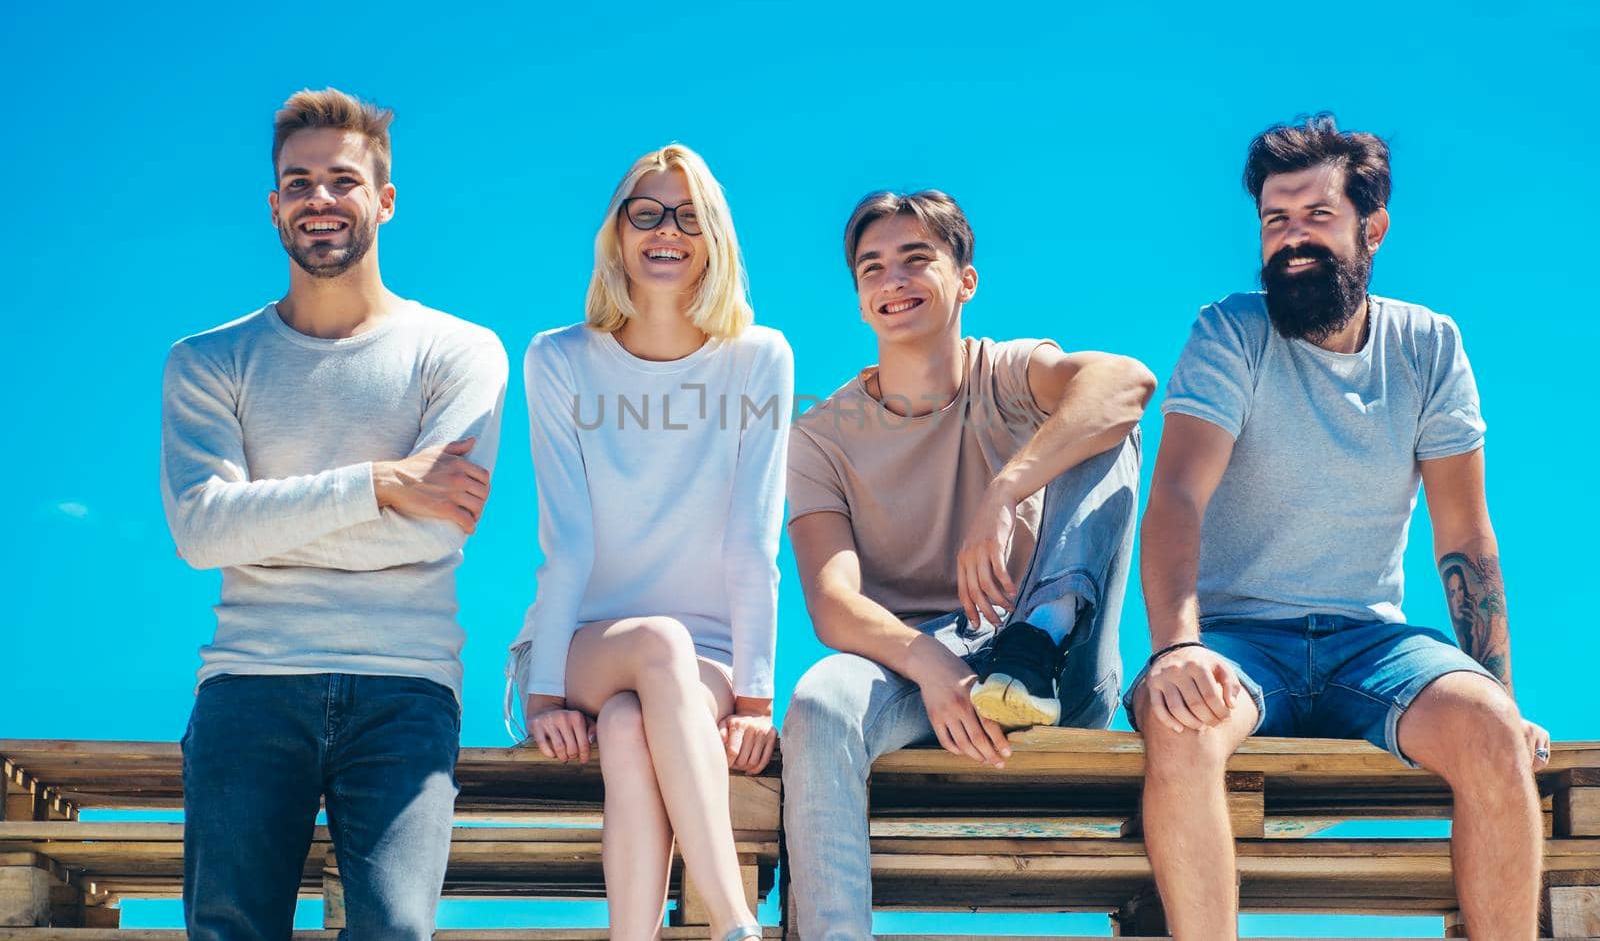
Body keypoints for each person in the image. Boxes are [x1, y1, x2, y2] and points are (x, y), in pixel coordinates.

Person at [1129, 114, 1550, 940]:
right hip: (1237, 641)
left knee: (1493, 730)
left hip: (1374, 646)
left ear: (1373, 227)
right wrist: (1177, 646)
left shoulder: (1429, 345)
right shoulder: (1230, 331)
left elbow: (1463, 536)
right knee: (1182, 724)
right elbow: (1176, 493)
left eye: (1317, 217)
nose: (1292, 240)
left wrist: (1500, 693)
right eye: (1275, 221)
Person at [160, 88, 508, 940]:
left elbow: (436, 527)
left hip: (406, 687)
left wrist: (270, 528)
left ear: (383, 200)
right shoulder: (209, 362)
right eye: (299, 181)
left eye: (342, 180)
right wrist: (382, 482)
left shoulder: (458, 351)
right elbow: (203, 531)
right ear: (275, 204)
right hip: (249, 683)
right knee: (230, 929)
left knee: (395, 929)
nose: (320, 198)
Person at [780, 189, 1155, 937]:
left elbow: (1129, 382)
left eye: (917, 259)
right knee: (820, 704)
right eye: (873, 268)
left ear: (965, 280)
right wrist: (930, 664)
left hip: (1057, 665)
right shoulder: (819, 437)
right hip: (923, 673)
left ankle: (1036, 642)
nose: (894, 281)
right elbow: (832, 603)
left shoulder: (1007, 374)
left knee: (1103, 425)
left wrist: (1008, 489)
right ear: (859, 300)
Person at [505, 144, 789, 941]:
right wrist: (546, 690)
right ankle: (737, 925)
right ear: (618, 235)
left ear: (715, 240)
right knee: (653, 647)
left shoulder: (758, 358)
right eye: (647, 213)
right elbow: (568, 540)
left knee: (632, 728)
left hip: (707, 667)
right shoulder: (558, 359)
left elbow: (753, 539)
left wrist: (758, 698)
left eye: (689, 217)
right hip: (579, 652)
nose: (668, 232)